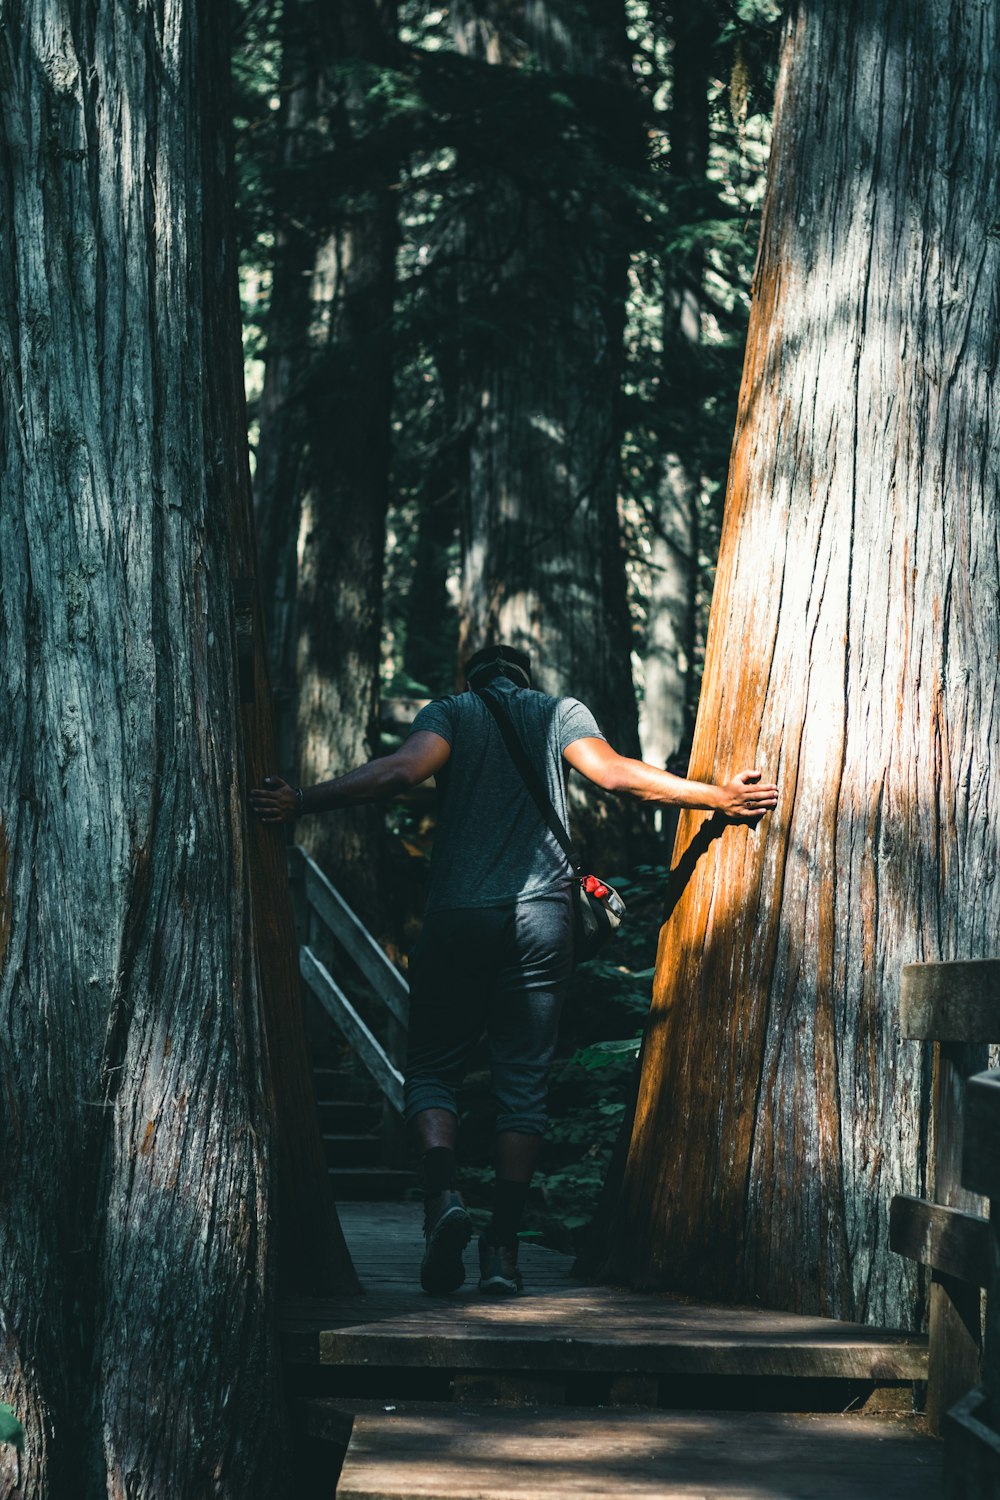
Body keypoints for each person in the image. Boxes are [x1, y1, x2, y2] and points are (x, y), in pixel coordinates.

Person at [249, 643, 778, 1297]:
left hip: (458, 917)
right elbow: (613, 775)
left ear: (468, 677)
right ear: (527, 677)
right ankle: (502, 1252)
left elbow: (400, 775)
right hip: (542, 919)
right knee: (521, 1081)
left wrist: (302, 800)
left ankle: (444, 1197)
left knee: (434, 1068)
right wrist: (715, 797)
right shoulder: (560, 713)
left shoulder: (452, 712)